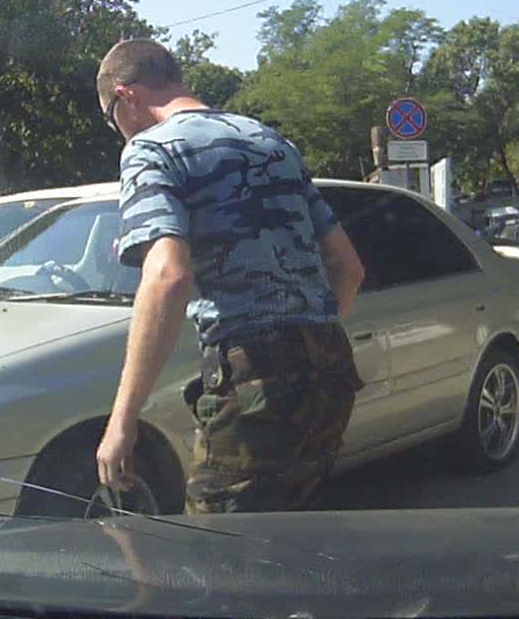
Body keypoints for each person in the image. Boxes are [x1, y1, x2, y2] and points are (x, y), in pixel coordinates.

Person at [92, 38, 367, 514]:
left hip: (252, 378)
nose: (118, 131)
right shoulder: (271, 142)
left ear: (126, 95)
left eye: (110, 118)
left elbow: (168, 277)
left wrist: (123, 419)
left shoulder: (151, 150)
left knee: (217, 558)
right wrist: (308, 340)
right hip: (331, 369)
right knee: (295, 541)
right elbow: (349, 267)